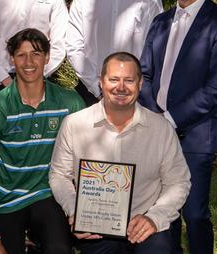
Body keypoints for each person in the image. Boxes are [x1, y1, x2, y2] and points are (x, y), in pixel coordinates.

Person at [138, 0, 217, 254]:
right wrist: (153, 116)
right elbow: (144, 74)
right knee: (162, 215)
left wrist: (170, 118)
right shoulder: (159, 22)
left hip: (195, 134)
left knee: (194, 214)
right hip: (154, 132)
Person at [50, 52, 191, 253]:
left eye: (129, 80)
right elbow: (59, 175)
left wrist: (155, 217)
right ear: (101, 82)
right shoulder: (74, 124)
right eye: (114, 79)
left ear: (140, 84)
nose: (121, 87)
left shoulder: (161, 128)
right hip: (97, 225)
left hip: (146, 222)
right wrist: (76, 211)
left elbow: (179, 181)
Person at [0, 28, 84, 254]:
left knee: (59, 249)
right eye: (21, 55)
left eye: (36, 54)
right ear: (11, 59)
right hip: (7, 198)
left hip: (47, 194)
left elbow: (83, 163)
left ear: (47, 57)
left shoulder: (70, 102)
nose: (29, 62)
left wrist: (81, 212)